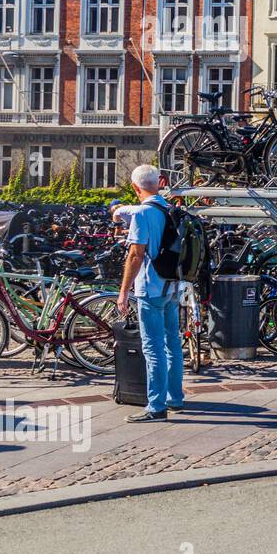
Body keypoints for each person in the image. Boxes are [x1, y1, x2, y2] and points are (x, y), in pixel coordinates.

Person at [112, 164, 185, 422]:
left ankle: (156, 406)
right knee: (172, 343)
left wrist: (123, 291)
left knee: (152, 347)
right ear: (160, 183)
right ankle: (175, 398)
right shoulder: (171, 209)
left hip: (151, 287)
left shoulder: (143, 214)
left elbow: (135, 255)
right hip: (173, 285)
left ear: (135, 188)